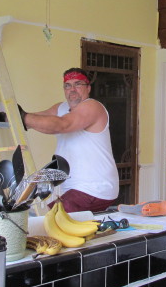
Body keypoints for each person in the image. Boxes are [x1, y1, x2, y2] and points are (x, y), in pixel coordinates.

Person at [19, 68, 119, 213]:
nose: (72, 89)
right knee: (44, 220)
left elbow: (62, 125)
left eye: (78, 84)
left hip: (95, 188)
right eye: (68, 85)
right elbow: (39, 120)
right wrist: (8, 118)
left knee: (48, 221)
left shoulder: (92, 106)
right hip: (75, 188)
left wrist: (23, 118)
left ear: (88, 88)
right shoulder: (61, 108)